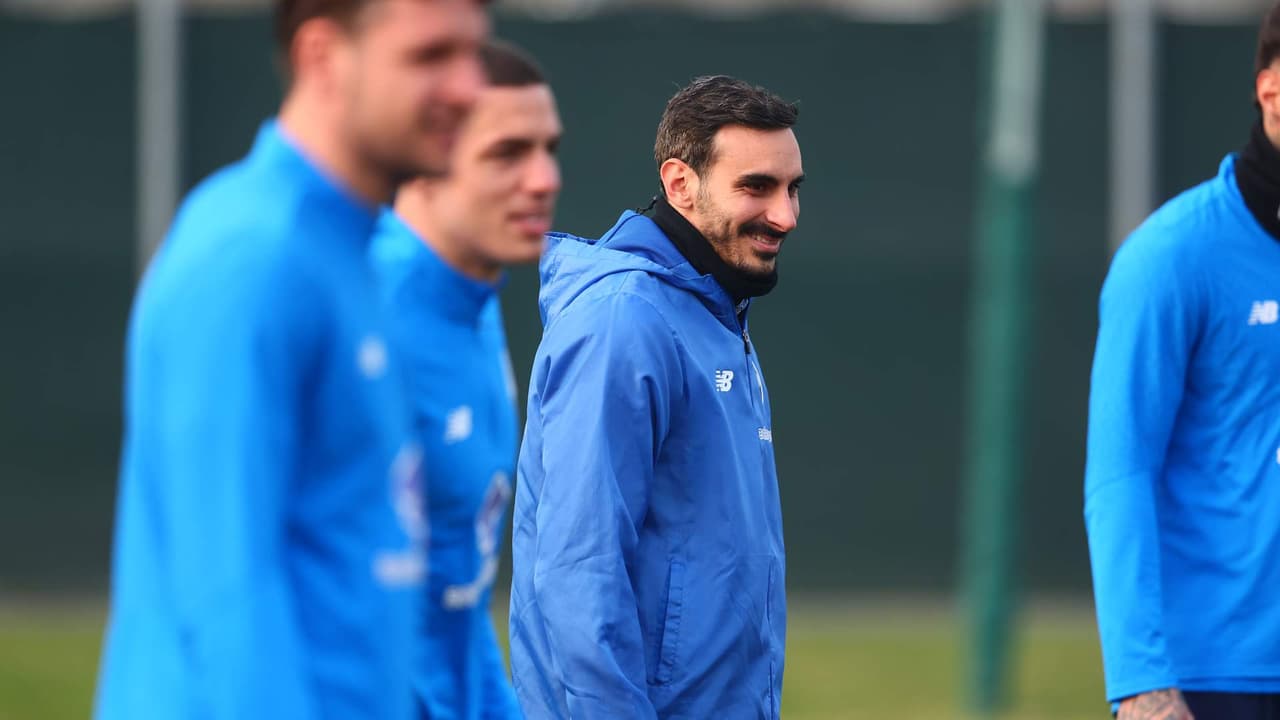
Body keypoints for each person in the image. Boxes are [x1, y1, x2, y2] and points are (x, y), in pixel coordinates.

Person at [95, 2, 488, 718]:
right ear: (321, 57)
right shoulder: (253, 256)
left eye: (474, 53)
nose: (468, 87)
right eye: (431, 56)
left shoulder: (348, 251)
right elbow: (224, 598)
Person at [509, 74, 804, 719]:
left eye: (792, 188)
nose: (784, 214)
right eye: (756, 186)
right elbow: (577, 570)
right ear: (680, 185)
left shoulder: (714, 314)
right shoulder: (625, 319)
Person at [1085, 4, 1280, 719]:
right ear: (1271, 90)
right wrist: (1141, 682)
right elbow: (1119, 474)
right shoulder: (1171, 258)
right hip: (1219, 675)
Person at [370, 39, 561, 720]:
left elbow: (459, 599)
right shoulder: (360, 313)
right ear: (425, 157)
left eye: (549, 149)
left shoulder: (476, 308)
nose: (543, 179)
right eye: (507, 153)